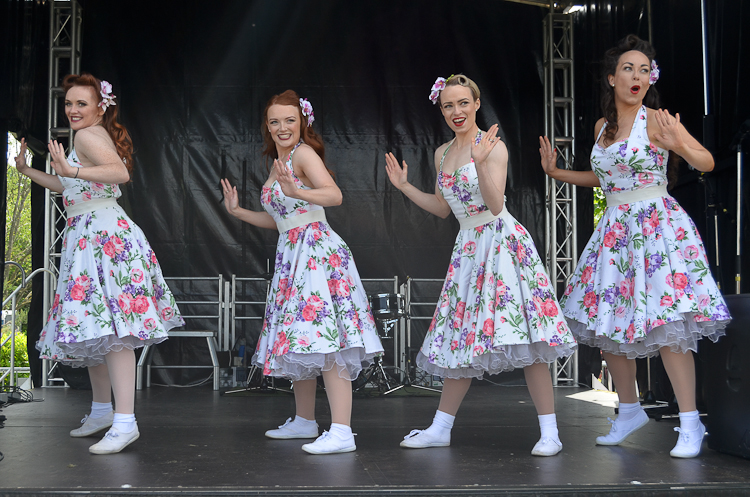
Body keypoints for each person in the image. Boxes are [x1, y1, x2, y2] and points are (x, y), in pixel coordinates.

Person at [539, 35, 730, 458]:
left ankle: (691, 423)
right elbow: (605, 178)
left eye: (644, 69)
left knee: (668, 329)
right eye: (629, 68)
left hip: (656, 227)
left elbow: (707, 162)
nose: (637, 75)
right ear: (612, 78)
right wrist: (558, 173)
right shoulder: (602, 129)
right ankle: (628, 409)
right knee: (606, 326)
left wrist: (677, 141)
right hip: (615, 231)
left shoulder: (657, 120)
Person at [385, 74, 577, 456]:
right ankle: (441, 428)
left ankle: (550, 432)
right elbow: (443, 208)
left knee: (529, 337)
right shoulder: (441, 153)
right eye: (448, 105)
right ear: (441, 110)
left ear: (476, 103)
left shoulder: (493, 146)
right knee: (460, 337)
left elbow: (495, 205)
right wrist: (406, 187)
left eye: (462, 103)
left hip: (501, 241)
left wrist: (481, 161)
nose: (456, 111)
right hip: (469, 247)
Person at [16, 73, 184, 454]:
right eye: (69, 103)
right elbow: (70, 186)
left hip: (101, 235)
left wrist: (71, 168)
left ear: (98, 107)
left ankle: (125, 421)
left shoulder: (87, 136)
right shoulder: (89, 138)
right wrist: (31, 171)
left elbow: (119, 174)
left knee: (114, 328)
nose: (73, 110)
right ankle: (102, 411)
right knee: (95, 328)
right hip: (90, 232)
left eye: (81, 104)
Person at [221, 90, 383, 455]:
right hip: (293, 251)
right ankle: (305, 420)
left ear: (302, 122)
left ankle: (341, 431)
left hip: (316, 252)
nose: (282, 127)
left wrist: (297, 189)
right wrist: (239, 212)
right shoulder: (278, 160)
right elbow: (281, 218)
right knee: (303, 339)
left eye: (289, 120)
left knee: (328, 340)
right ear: (267, 125)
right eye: (275, 121)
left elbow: (334, 195)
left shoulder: (304, 154)